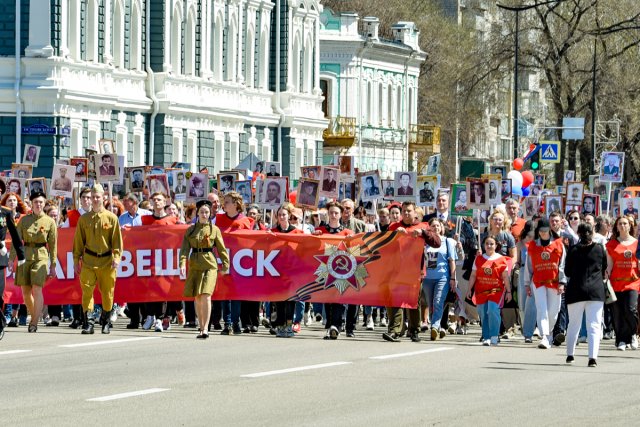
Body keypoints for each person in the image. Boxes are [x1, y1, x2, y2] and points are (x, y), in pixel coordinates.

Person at [383, 201, 442, 343]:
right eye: (404, 211)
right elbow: (384, 245)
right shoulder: (394, 226)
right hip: (396, 270)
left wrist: (423, 234)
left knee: (413, 301)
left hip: (415, 271)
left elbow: (437, 242)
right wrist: (394, 236)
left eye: (409, 211)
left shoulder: (423, 227)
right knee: (394, 299)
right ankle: (395, 330)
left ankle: (414, 330)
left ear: (415, 213)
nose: (406, 213)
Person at [72, 184, 123, 334]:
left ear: (103, 198)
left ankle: (105, 320)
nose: (94, 199)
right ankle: (89, 323)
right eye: (92, 197)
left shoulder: (111, 218)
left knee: (107, 293)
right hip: (88, 260)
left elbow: (117, 242)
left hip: (107, 261)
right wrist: (76, 261)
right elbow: (78, 243)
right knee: (87, 292)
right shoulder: (84, 219)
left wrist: (117, 257)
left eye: (97, 197)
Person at [179, 199, 229, 339]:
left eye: (207, 212)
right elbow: (184, 250)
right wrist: (182, 264)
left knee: (206, 295)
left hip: (209, 264)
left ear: (210, 213)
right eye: (202, 212)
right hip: (195, 263)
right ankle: (201, 326)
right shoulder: (190, 230)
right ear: (197, 213)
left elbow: (221, 249)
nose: (204, 214)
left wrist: (226, 265)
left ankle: (206, 328)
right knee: (198, 296)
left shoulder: (214, 229)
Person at [8, 192, 57, 333]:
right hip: (25, 256)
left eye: (41, 202)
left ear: (44, 203)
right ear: (32, 203)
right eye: (36, 202)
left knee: (37, 288)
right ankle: (36, 314)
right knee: (25, 293)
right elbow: (16, 241)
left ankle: (34, 323)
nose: (38, 204)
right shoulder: (24, 220)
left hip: (41, 256)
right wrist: (11, 259)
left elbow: (53, 245)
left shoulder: (50, 221)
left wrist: (53, 265)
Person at [565, 223, 607, 367]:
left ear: (578, 233)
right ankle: (592, 358)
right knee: (594, 325)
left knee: (573, 324)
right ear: (593, 232)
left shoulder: (573, 250)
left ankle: (570, 355)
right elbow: (604, 267)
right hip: (595, 290)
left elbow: (567, 272)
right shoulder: (600, 249)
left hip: (576, 290)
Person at [313, 201, 355, 339]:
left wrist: (351, 240)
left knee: (339, 298)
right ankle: (330, 325)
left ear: (341, 214)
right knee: (328, 298)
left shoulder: (347, 232)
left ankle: (335, 325)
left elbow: (356, 248)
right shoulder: (321, 231)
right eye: (331, 212)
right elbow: (312, 247)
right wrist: (314, 236)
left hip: (342, 270)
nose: (333, 215)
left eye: (336, 213)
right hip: (325, 269)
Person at [524, 218, 567, 349]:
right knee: (542, 309)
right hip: (538, 282)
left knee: (554, 311)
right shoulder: (533, 245)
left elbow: (562, 264)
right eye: (540, 231)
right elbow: (529, 266)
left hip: (554, 282)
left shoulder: (559, 244)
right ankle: (544, 336)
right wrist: (527, 283)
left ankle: (549, 334)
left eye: (545, 230)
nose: (543, 233)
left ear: (549, 230)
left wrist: (562, 282)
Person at [216, 191, 254, 335]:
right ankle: (227, 323)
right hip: (223, 259)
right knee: (225, 293)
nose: (224, 204)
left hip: (240, 261)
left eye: (227, 202)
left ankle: (236, 322)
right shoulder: (218, 219)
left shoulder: (245, 221)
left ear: (236, 204)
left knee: (236, 294)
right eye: (224, 201)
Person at [141, 192, 179, 332]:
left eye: (159, 200)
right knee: (149, 289)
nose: (157, 202)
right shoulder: (145, 220)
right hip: (149, 258)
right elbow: (138, 235)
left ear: (164, 202)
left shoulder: (172, 220)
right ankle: (150, 316)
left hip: (166, 259)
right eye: (154, 200)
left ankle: (160, 318)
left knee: (162, 289)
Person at [467, 235, 511, 346]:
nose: (489, 246)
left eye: (492, 244)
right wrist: (469, 289)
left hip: (496, 290)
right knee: (482, 313)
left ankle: (494, 335)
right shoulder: (479, 258)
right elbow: (473, 275)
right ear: (483, 245)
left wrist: (509, 292)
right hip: (481, 291)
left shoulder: (501, 259)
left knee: (492, 310)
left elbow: (505, 277)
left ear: (496, 245)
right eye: (487, 244)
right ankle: (486, 336)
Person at [605, 216, 640, 351]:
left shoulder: (637, 243)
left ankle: (633, 334)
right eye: (620, 224)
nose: (623, 226)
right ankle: (621, 340)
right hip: (616, 283)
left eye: (625, 223)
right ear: (616, 226)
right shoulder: (612, 244)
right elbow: (609, 265)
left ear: (630, 226)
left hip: (633, 282)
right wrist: (605, 277)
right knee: (617, 312)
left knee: (630, 309)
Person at [270, 203, 304, 337]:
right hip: (276, 270)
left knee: (291, 299)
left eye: (284, 214)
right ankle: (280, 325)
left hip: (292, 271)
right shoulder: (273, 231)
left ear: (289, 216)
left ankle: (289, 325)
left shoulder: (297, 232)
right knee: (279, 300)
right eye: (279, 215)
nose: (282, 217)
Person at [423, 218, 458, 341]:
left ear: (442, 228)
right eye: (433, 226)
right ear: (429, 228)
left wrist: (453, 278)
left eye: (438, 226)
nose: (436, 228)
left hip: (442, 277)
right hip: (427, 278)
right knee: (431, 304)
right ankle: (436, 328)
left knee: (438, 302)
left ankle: (435, 326)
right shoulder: (424, 242)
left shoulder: (447, 241)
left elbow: (452, 261)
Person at [515, 221, 537, 343]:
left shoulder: (538, 244)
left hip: (536, 273)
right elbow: (518, 260)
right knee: (523, 303)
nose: (531, 238)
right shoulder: (520, 244)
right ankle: (525, 326)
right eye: (529, 235)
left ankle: (531, 330)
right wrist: (515, 265)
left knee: (532, 303)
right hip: (523, 272)